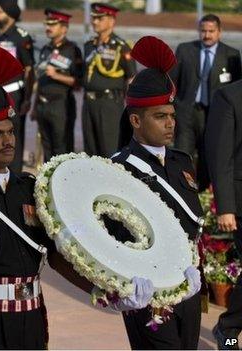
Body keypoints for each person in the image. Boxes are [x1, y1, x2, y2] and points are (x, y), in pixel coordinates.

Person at [0, 43, 150, 349]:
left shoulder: (30, 189)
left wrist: (104, 293)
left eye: (10, 131)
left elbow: (59, 257)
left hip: (32, 318)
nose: (9, 141)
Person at [113, 36, 203, 350]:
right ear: (135, 120)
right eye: (160, 116)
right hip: (149, 293)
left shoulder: (182, 162)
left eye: (172, 116)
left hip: (188, 289)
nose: (170, 124)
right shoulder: (118, 170)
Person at [170, 14, 241, 192]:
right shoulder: (185, 50)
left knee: (209, 157)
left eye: (211, 31)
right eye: (203, 31)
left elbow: (236, 89)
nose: (207, 35)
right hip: (187, 114)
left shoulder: (231, 55)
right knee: (182, 155)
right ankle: (182, 192)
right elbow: (172, 83)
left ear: (219, 32)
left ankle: (204, 195)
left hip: (215, 117)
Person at [205, 71, 242, 351]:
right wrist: (225, 207)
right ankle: (228, 331)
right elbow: (220, 156)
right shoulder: (229, 96)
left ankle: (228, 326)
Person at [82, 2, 136, 157]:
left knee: (109, 151)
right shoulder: (89, 45)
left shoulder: (121, 47)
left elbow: (131, 77)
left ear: (112, 21)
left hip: (109, 104)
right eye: (94, 18)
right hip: (89, 104)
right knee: (90, 152)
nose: (95, 22)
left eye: (100, 18)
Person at [0, 0, 34, 172]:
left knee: (13, 137)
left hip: (14, 95)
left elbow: (29, 70)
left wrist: (27, 99)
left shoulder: (21, 37)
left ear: (10, 14)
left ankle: (14, 176)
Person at [34, 9, 81, 161]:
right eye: (47, 24)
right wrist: (35, 107)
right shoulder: (45, 49)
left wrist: (56, 75)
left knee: (62, 150)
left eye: (53, 24)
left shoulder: (72, 50)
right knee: (47, 148)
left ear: (64, 28)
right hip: (43, 105)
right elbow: (40, 80)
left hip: (61, 105)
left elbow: (78, 82)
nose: (48, 27)